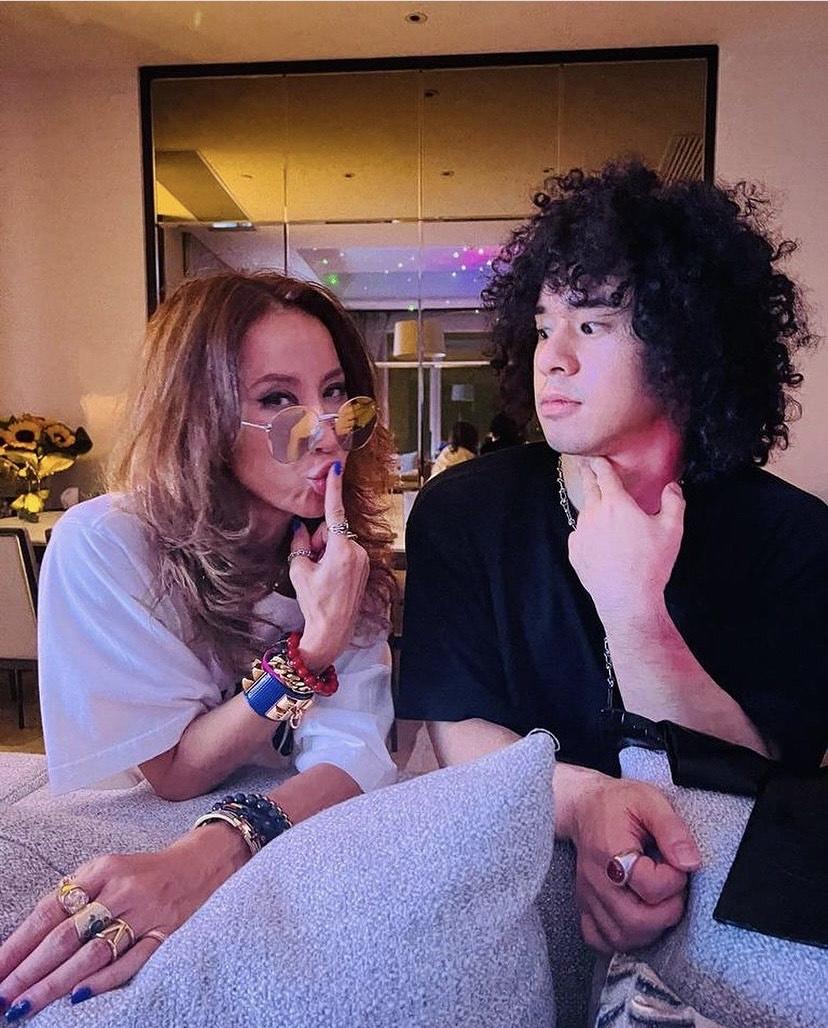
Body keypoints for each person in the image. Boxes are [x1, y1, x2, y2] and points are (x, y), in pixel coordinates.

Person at [398, 162, 827, 956]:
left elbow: (758, 784)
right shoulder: (465, 511)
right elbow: (459, 730)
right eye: (543, 325)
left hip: (714, 876)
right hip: (526, 840)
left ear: (687, 350)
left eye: (592, 326)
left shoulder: (795, 537)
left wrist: (636, 615)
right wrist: (586, 803)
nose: (552, 358)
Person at [0, 271, 398, 1018]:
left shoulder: (340, 556)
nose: (326, 430)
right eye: (277, 400)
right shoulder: (108, 546)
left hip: (273, 830)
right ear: (200, 416)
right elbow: (175, 771)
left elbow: (355, 756)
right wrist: (308, 657)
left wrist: (222, 847)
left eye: (336, 393)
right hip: (131, 821)